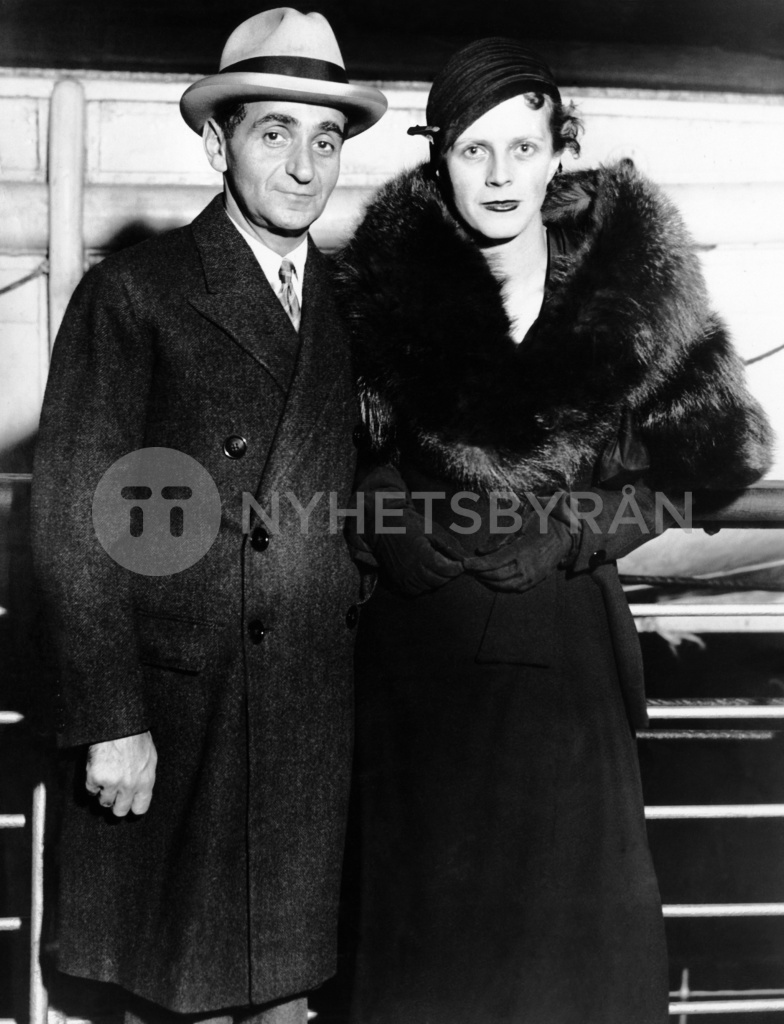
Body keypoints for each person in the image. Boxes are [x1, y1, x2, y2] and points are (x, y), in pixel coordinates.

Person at [335, 37, 773, 1024]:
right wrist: (388, 519)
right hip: (420, 675)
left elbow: (722, 455)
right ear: (437, 158)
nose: (498, 176)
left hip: (563, 669)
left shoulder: (629, 285)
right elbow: (322, 460)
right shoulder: (378, 287)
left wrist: (585, 526)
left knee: (569, 970)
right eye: (473, 151)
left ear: (559, 148)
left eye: (521, 149)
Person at [31, 9, 386, 1024]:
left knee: (285, 1001)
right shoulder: (136, 295)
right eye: (274, 131)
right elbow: (75, 519)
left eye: (326, 139)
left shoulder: (354, 305)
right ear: (215, 142)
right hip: (181, 722)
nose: (304, 164)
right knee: (177, 998)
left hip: (311, 729)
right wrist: (111, 720)